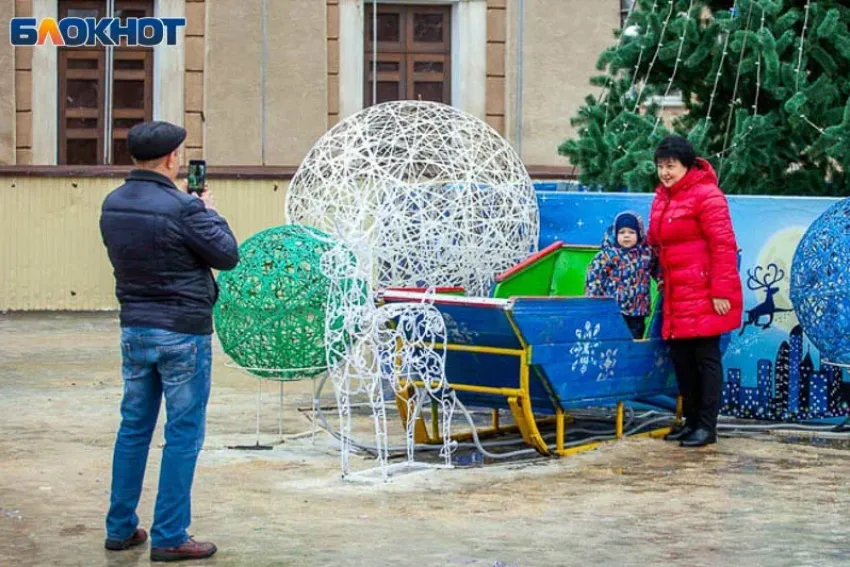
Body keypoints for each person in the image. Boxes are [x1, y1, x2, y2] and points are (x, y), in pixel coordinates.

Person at [100, 121, 239, 562]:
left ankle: (120, 528)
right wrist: (209, 211)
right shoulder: (184, 208)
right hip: (183, 333)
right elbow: (227, 255)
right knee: (183, 434)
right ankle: (170, 535)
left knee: (134, 428)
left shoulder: (113, 203)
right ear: (171, 159)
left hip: (135, 328)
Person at [647, 135, 743, 448]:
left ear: (687, 165)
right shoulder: (662, 197)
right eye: (661, 166)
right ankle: (690, 422)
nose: (665, 172)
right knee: (682, 360)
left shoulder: (708, 196)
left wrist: (721, 292)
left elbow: (724, 246)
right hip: (677, 294)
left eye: (670, 165)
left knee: (706, 359)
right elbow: (655, 241)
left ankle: (707, 426)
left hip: (704, 292)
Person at [585, 211, 660, 340]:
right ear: (615, 234)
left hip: (637, 310)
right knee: (613, 338)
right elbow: (595, 276)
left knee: (635, 337)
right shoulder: (609, 254)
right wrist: (595, 299)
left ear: (639, 234)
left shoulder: (646, 254)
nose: (626, 236)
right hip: (615, 309)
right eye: (622, 232)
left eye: (631, 233)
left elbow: (656, 268)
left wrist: (661, 279)